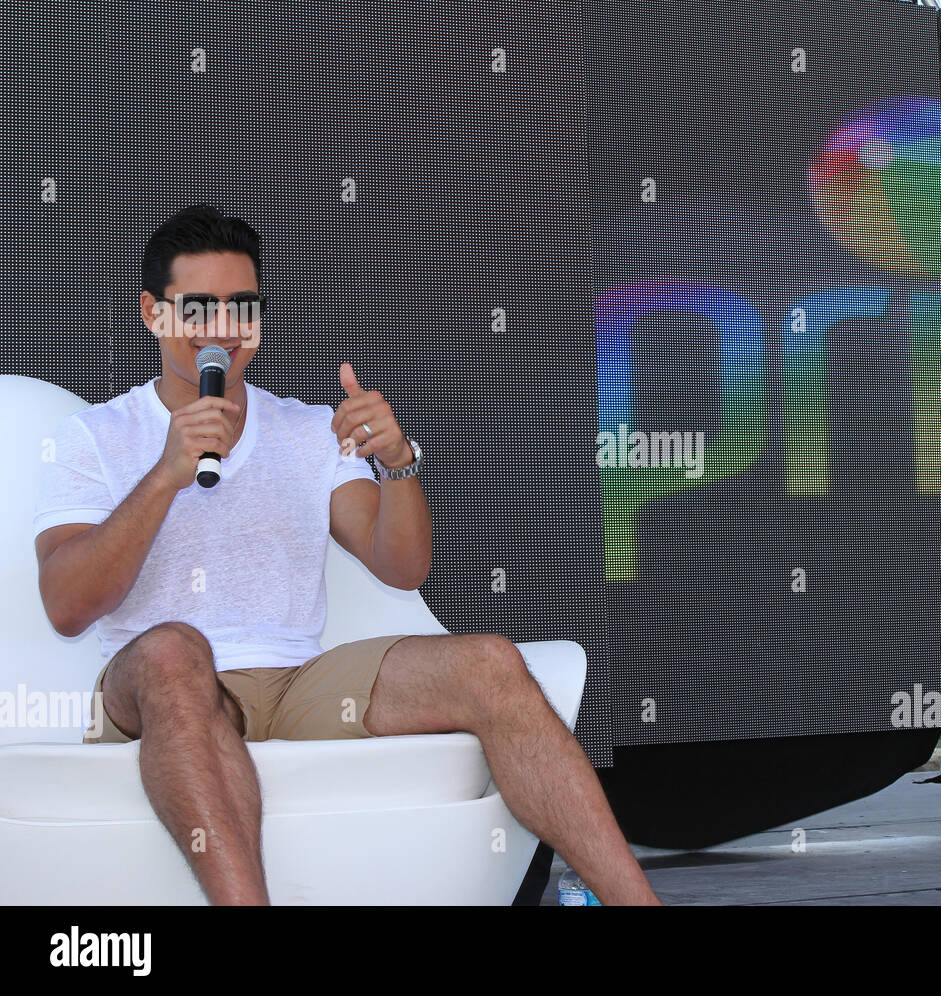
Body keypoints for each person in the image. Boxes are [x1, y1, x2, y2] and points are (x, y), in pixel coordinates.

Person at [32, 203, 660, 906]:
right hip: (157, 689)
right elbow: (66, 605)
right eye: (198, 310)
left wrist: (396, 462)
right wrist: (165, 476)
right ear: (153, 314)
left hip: (299, 686)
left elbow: (401, 567)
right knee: (176, 651)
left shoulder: (304, 429)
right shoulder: (94, 436)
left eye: (242, 308)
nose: (223, 331)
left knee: (491, 662)